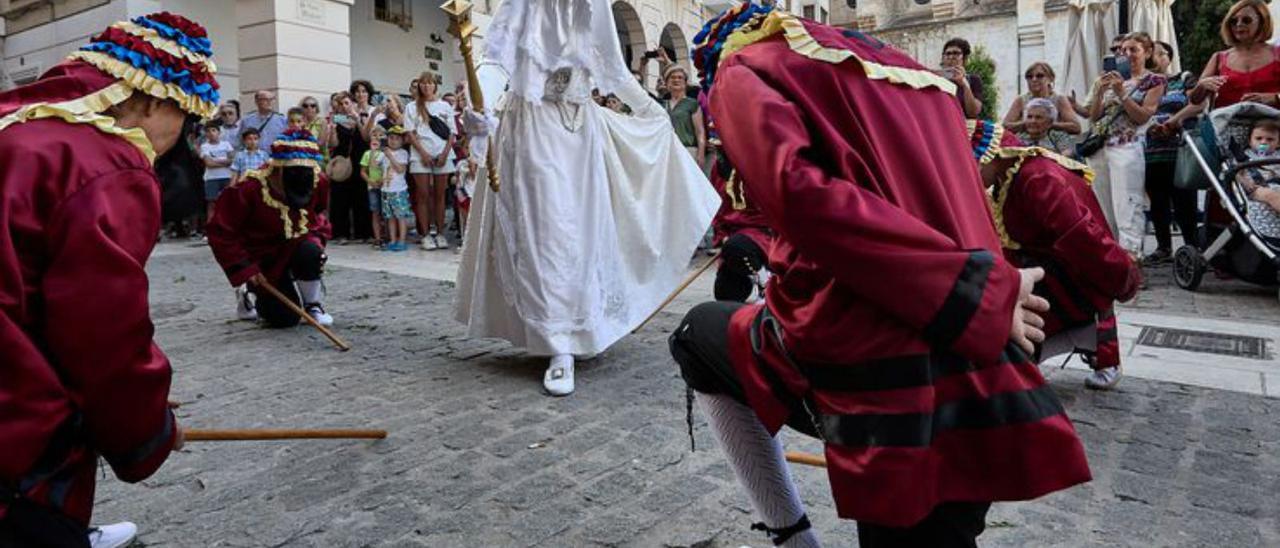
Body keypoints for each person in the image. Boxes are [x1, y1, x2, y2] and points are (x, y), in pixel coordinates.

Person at [670, 6, 1088, 546]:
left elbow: (804, 198)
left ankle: (792, 537)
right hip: (980, 355)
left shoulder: (742, 68)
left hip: (883, 363)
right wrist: (991, 288)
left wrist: (982, 292)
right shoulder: (910, 73)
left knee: (696, 334)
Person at [0, 11, 222, 545]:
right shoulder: (108, 163)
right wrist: (145, 426)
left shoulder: (22, 125)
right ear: (148, 99)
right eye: (185, 118)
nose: (179, 139)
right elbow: (101, 337)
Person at [456, 0, 719, 397]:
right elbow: (496, 61)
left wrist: (651, 110)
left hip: (581, 132)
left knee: (580, 235)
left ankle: (578, 328)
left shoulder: (593, 5)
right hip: (532, 128)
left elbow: (612, 69)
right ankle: (557, 341)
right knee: (548, 232)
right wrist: (480, 110)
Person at [969, 121, 1141, 390]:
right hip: (1051, 267)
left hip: (1069, 272)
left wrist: (1121, 275)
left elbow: (1083, 238)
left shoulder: (1036, 178)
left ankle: (1097, 352)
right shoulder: (1013, 178)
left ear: (989, 156)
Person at [206, 129, 335, 327]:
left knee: (310, 251)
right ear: (278, 171)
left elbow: (317, 215)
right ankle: (247, 291)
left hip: (295, 243)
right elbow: (222, 232)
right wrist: (246, 268)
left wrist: (315, 242)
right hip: (262, 256)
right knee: (284, 319)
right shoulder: (248, 189)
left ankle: (313, 304)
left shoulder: (319, 181)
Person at [1083, 32, 1167, 258]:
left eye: (1133, 50)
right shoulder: (1110, 79)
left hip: (1128, 145)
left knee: (1128, 204)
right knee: (1104, 206)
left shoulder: (1154, 81)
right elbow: (1094, 117)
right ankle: (1112, 260)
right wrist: (1101, 91)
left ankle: (1132, 259)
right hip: (1100, 148)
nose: (1126, 54)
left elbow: (1142, 117)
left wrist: (1122, 93)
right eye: (1122, 50)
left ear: (1147, 52)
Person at [1155, 0, 1280, 133]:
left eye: (1246, 20)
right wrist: (1202, 85)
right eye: (1233, 21)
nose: (1239, 24)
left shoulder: (1277, 53)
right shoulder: (1219, 58)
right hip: (1228, 135)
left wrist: (1274, 98)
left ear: (1262, 22)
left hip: (1272, 132)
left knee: (1264, 153)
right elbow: (1196, 100)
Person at [1143, 41, 1200, 264]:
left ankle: (1192, 249)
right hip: (1150, 152)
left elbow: (1198, 104)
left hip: (1179, 150)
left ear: (1168, 57)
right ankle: (1163, 247)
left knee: (1184, 199)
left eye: (1159, 53)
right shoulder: (1142, 85)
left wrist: (1173, 122)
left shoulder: (1182, 78)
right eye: (1150, 54)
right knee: (1157, 201)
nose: (1154, 58)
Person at [404, 72, 457, 250]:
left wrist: (444, 154)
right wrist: (423, 153)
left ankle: (441, 232)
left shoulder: (445, 106)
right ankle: (425, 234)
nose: (426, 86)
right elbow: (410, 133)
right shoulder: (412, 107)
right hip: (420, 156)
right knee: (422, 196)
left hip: (442, 154)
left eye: (430, 83)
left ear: (435, 85)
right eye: (423, 83)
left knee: (440, 196)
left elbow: (452, 133)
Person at [326, 90, 373, 243]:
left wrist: (357, 119)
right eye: (341, 104)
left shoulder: (361, 116)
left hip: (359, 160)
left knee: (361, 196)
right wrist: (332, 130)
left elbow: (366, 138)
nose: (344, 106)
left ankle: (362, 233)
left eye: (347, 103)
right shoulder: (335, 120)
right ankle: (341, 233)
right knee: (340, 198)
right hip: (342, 161)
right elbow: (333, 144)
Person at [1003, 62, 1081, 136]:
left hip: (1054, 145)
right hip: (1025, 144)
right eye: (1029, 77)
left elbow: (1076, 127)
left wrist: (1049, 124)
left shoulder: (1059, 99)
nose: (1034, 79)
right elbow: (1005, 126)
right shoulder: (1021, 100)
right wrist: (1027, 124)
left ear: (1050, 79)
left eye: (1039, 76)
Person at [1235, 120, 1280, 243]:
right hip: (1257, 188)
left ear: (1278, 143)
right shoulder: (1245, 157)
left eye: (1270, 140)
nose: (1263, 142)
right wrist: (1244, 181)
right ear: (1250, 141)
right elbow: (1236, 174)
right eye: (1258, 138)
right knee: (1271, 195)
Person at [662, 65, 707, 169]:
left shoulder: (692, 104)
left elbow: (700, 131)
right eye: (672, 77)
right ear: (667, 82)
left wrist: (701, 154)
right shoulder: (662, 105)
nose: (676, 80)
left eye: (680, 77)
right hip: (667, 151)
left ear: (685, 83)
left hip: (688, 150)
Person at [381, 127, 415, 252]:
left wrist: (390, 156)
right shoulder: (383, 153)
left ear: (402, 141)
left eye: (396, 139)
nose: (393, 141)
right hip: (386, 190)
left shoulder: (403, 153)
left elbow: (401, 169)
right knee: (390, 217)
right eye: (391, 138)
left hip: (398, 190)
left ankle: (402, 240)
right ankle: (392, 239)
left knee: (400, 216)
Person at [939, 37, 984, 119]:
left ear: (965, 59)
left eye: (956, 53)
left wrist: (964, 84)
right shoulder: (937, 79)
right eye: (948, 54)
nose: (951, 57)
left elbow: (973, 112)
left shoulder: (973, 80)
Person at [200, 123, 235, 221]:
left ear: (219, 132)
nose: (211, 133)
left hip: (227, 177)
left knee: (228, 202)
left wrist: (215, 160)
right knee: (212, 203)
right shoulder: (205, 147)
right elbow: (209, 164)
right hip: (211, 178)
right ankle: (210, 228)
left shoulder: (226, 144)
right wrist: (224, 162)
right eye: (208, 131)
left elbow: (232, 160)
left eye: (213, 130)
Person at [361, 126, 388, 248]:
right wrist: (370, 181)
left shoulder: (387, 153)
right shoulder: (367, 154)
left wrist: (383, 180)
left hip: (385, 186)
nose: (377, 138)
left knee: (387, 212)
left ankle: (387, 235)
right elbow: (363, 171)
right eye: (374, 135)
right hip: (372, 187)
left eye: (380, 135)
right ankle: (377, 238)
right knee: (375, 211)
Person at [241, 90, 288, 155]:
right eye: (265, 99)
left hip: (275, 158)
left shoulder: (282, 120)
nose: (269, 102)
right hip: (254, 158)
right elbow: (241, 141)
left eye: (272, 99)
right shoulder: (247, 120)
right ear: (256, 101)